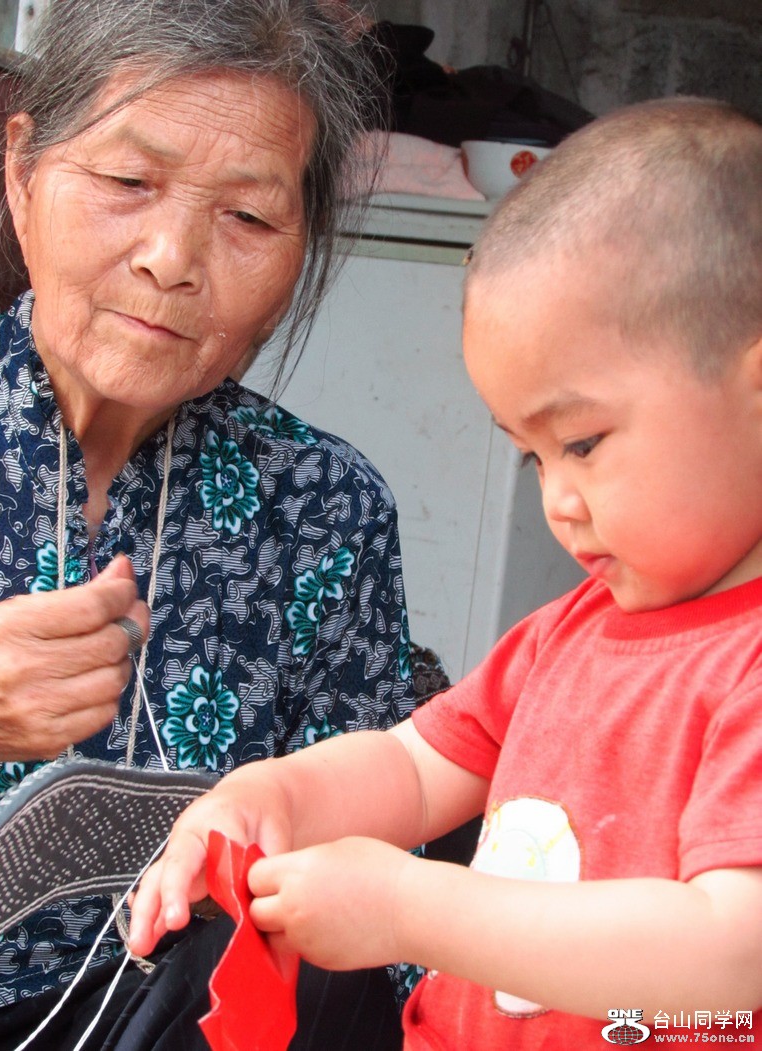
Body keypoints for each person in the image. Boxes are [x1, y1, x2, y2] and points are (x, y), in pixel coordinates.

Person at [130, 97, 762, 1048]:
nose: (558, 499)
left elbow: (731, 954)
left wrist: (409, 907)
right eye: (532, 456)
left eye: (583, 442)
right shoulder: (568, 633)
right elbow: (413, 769)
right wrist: (270, 797)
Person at [0, 1, 417, 1047]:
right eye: (129, 182)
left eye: (248, 218)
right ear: (23, 173)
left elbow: (373, 888)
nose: (172, 258)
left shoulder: (325, 507)